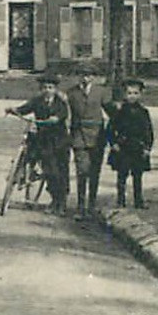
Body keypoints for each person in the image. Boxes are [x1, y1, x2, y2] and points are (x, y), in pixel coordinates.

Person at [9, 75, 72, 215]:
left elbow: (62, 114)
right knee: (50, 171)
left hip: (59, 141)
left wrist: (54, 119)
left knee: (61, 172)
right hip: (44, 140)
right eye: (44, 88)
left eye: (50, 88)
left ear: (55, 89)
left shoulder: (60, 102)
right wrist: (14, 110)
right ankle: (54, 199)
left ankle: (61, 203)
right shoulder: (37, 101)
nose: (47, 90)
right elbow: (25, 108)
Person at [66, 68, 107, 218]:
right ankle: (80, 206)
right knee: (82, 171)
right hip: (79, 136)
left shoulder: (101, 92)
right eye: (82, 74)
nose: (85, 77)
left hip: (97, 137)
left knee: (94, 172)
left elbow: (111, 111)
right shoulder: (71, 93)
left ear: (94, 77)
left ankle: (92, 205)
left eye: (89, 74)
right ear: (78, 76)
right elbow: (64, 112)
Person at [108, 79, 154, 208]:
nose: (132, 96)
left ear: (140, 94)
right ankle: (120, 200)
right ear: (124, 94)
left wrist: (147, 147)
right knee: (122, 175)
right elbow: (110, 129)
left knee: (137, 175)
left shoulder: (143, 112)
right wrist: (113, 143)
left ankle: (138, 201)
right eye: (129, 93)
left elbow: (148, 131)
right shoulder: (119, 111)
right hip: (123, 147)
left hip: (138, 147)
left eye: (135, 93)